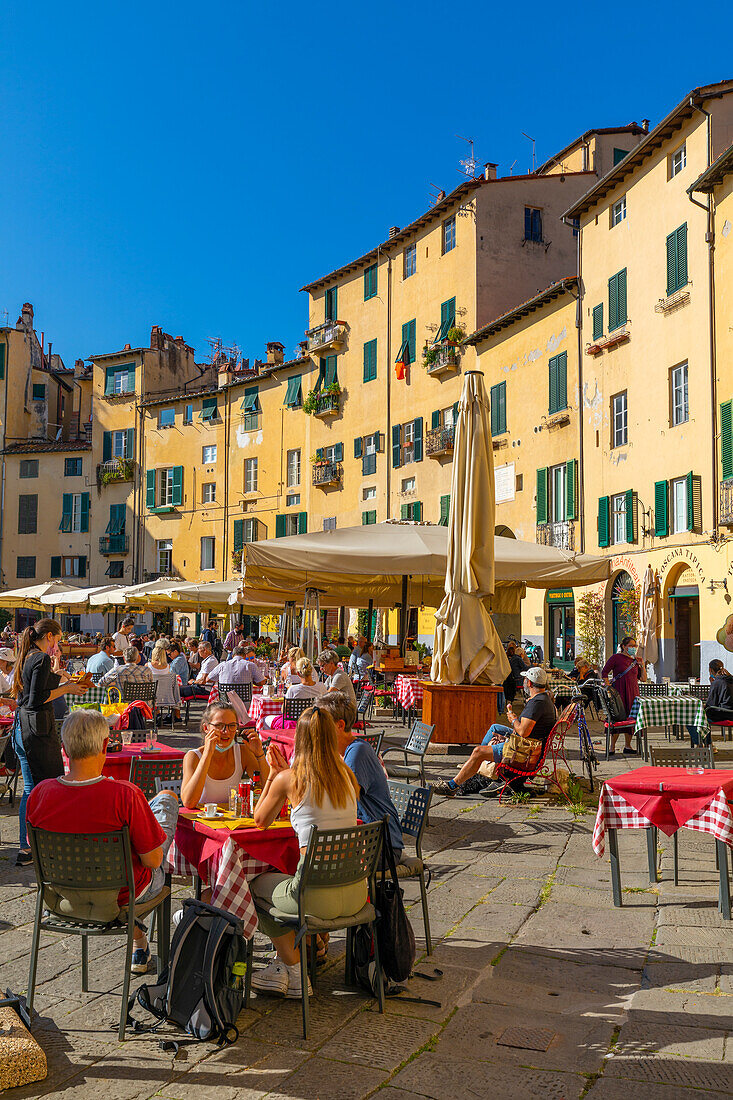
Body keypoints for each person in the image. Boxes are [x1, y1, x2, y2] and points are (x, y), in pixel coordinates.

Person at [26, 709, 179, 974]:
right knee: (166, 801)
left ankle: (139, 942)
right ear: (106, 745)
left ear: (64, 749)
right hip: (121, 898)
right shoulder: (125, 795)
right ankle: (144, 945)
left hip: (62, 897)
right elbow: (153, 860)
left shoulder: (40, 794)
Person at [249, 706, 363, 998]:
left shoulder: (291, 778)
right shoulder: (348, 776)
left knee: (251, 885)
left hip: (312, 898)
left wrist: (273, 775)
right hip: (355, 894)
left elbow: (259, 821)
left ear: (299, 738)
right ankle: (298, 957)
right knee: (284, 877)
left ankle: (294, 969)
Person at [11, 619, 90, 866]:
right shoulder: (40, 658)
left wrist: (64, 680)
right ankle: (43, 843)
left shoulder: (28, 654)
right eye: (57, 638)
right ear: (48, 636)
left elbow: (37, 687)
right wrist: (67, 688)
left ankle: (27, 847)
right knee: (46, 788)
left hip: (22, 728)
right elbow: (38, 698)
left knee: (30, 789)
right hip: (36, 731)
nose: (59, 643)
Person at [432, 666, 557, 798]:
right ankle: (479, 765)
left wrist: (513, 719)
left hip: (524, 750)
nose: (524, 682)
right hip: (530, 745)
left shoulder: (536, 703)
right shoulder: (544, 699)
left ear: (529, 683)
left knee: (478, 752)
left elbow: (523, 732)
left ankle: (453, 785)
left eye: (525, 679)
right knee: (495, 728)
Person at [319, 692, 404, 860]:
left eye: (322, 725)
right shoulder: (344, 752)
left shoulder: (357, 751)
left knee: (315, 860)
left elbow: (343, 799)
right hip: (367, 839)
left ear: (340, 725)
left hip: (381, 847)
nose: (318, 730)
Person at [182, 701, 269, 812]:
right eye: (219, 725)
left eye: (231, 726)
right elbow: (189, 802)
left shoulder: (243, 752)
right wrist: (207, 754)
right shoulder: (193, 756)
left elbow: (268, 789)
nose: (226, 731)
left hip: (233, 821)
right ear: (206, 728)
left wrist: (260, 754)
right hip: (202, 823)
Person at [601, 636, 647, 755]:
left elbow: (643, 678)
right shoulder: (616, 658)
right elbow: (604, 672)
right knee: (617, 718)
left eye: (634, 646)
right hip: (619, 692)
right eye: (630, 646)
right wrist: (608, 689)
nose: (633, 648)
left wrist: (642, 665)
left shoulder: (635, 661)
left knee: (631, 719)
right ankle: (612, 747)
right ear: (623, 646)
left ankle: (628, 746)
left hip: (633, 693)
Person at [263, 658, 325, 729]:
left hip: (296, 723)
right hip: (316, 721)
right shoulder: (322, 686)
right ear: (311, 672)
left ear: (298, 673)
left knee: (265, 719)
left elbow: (284, 710)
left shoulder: (293, 689)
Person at [686, 659, 733, 746]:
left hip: (723, 714)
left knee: (691, 718)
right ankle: (709, 745)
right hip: (731, 714)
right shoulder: (729, 679)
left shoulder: (717, 682)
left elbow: (711, 704)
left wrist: (703, 706)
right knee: (704, 715)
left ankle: (701, 745)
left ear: (710, 670)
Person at [148, 643, 181, 713]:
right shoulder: (168, 667)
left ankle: (157, 714)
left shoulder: (147, 666)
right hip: (166, 697)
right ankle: (175, 712)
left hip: (151, 697)